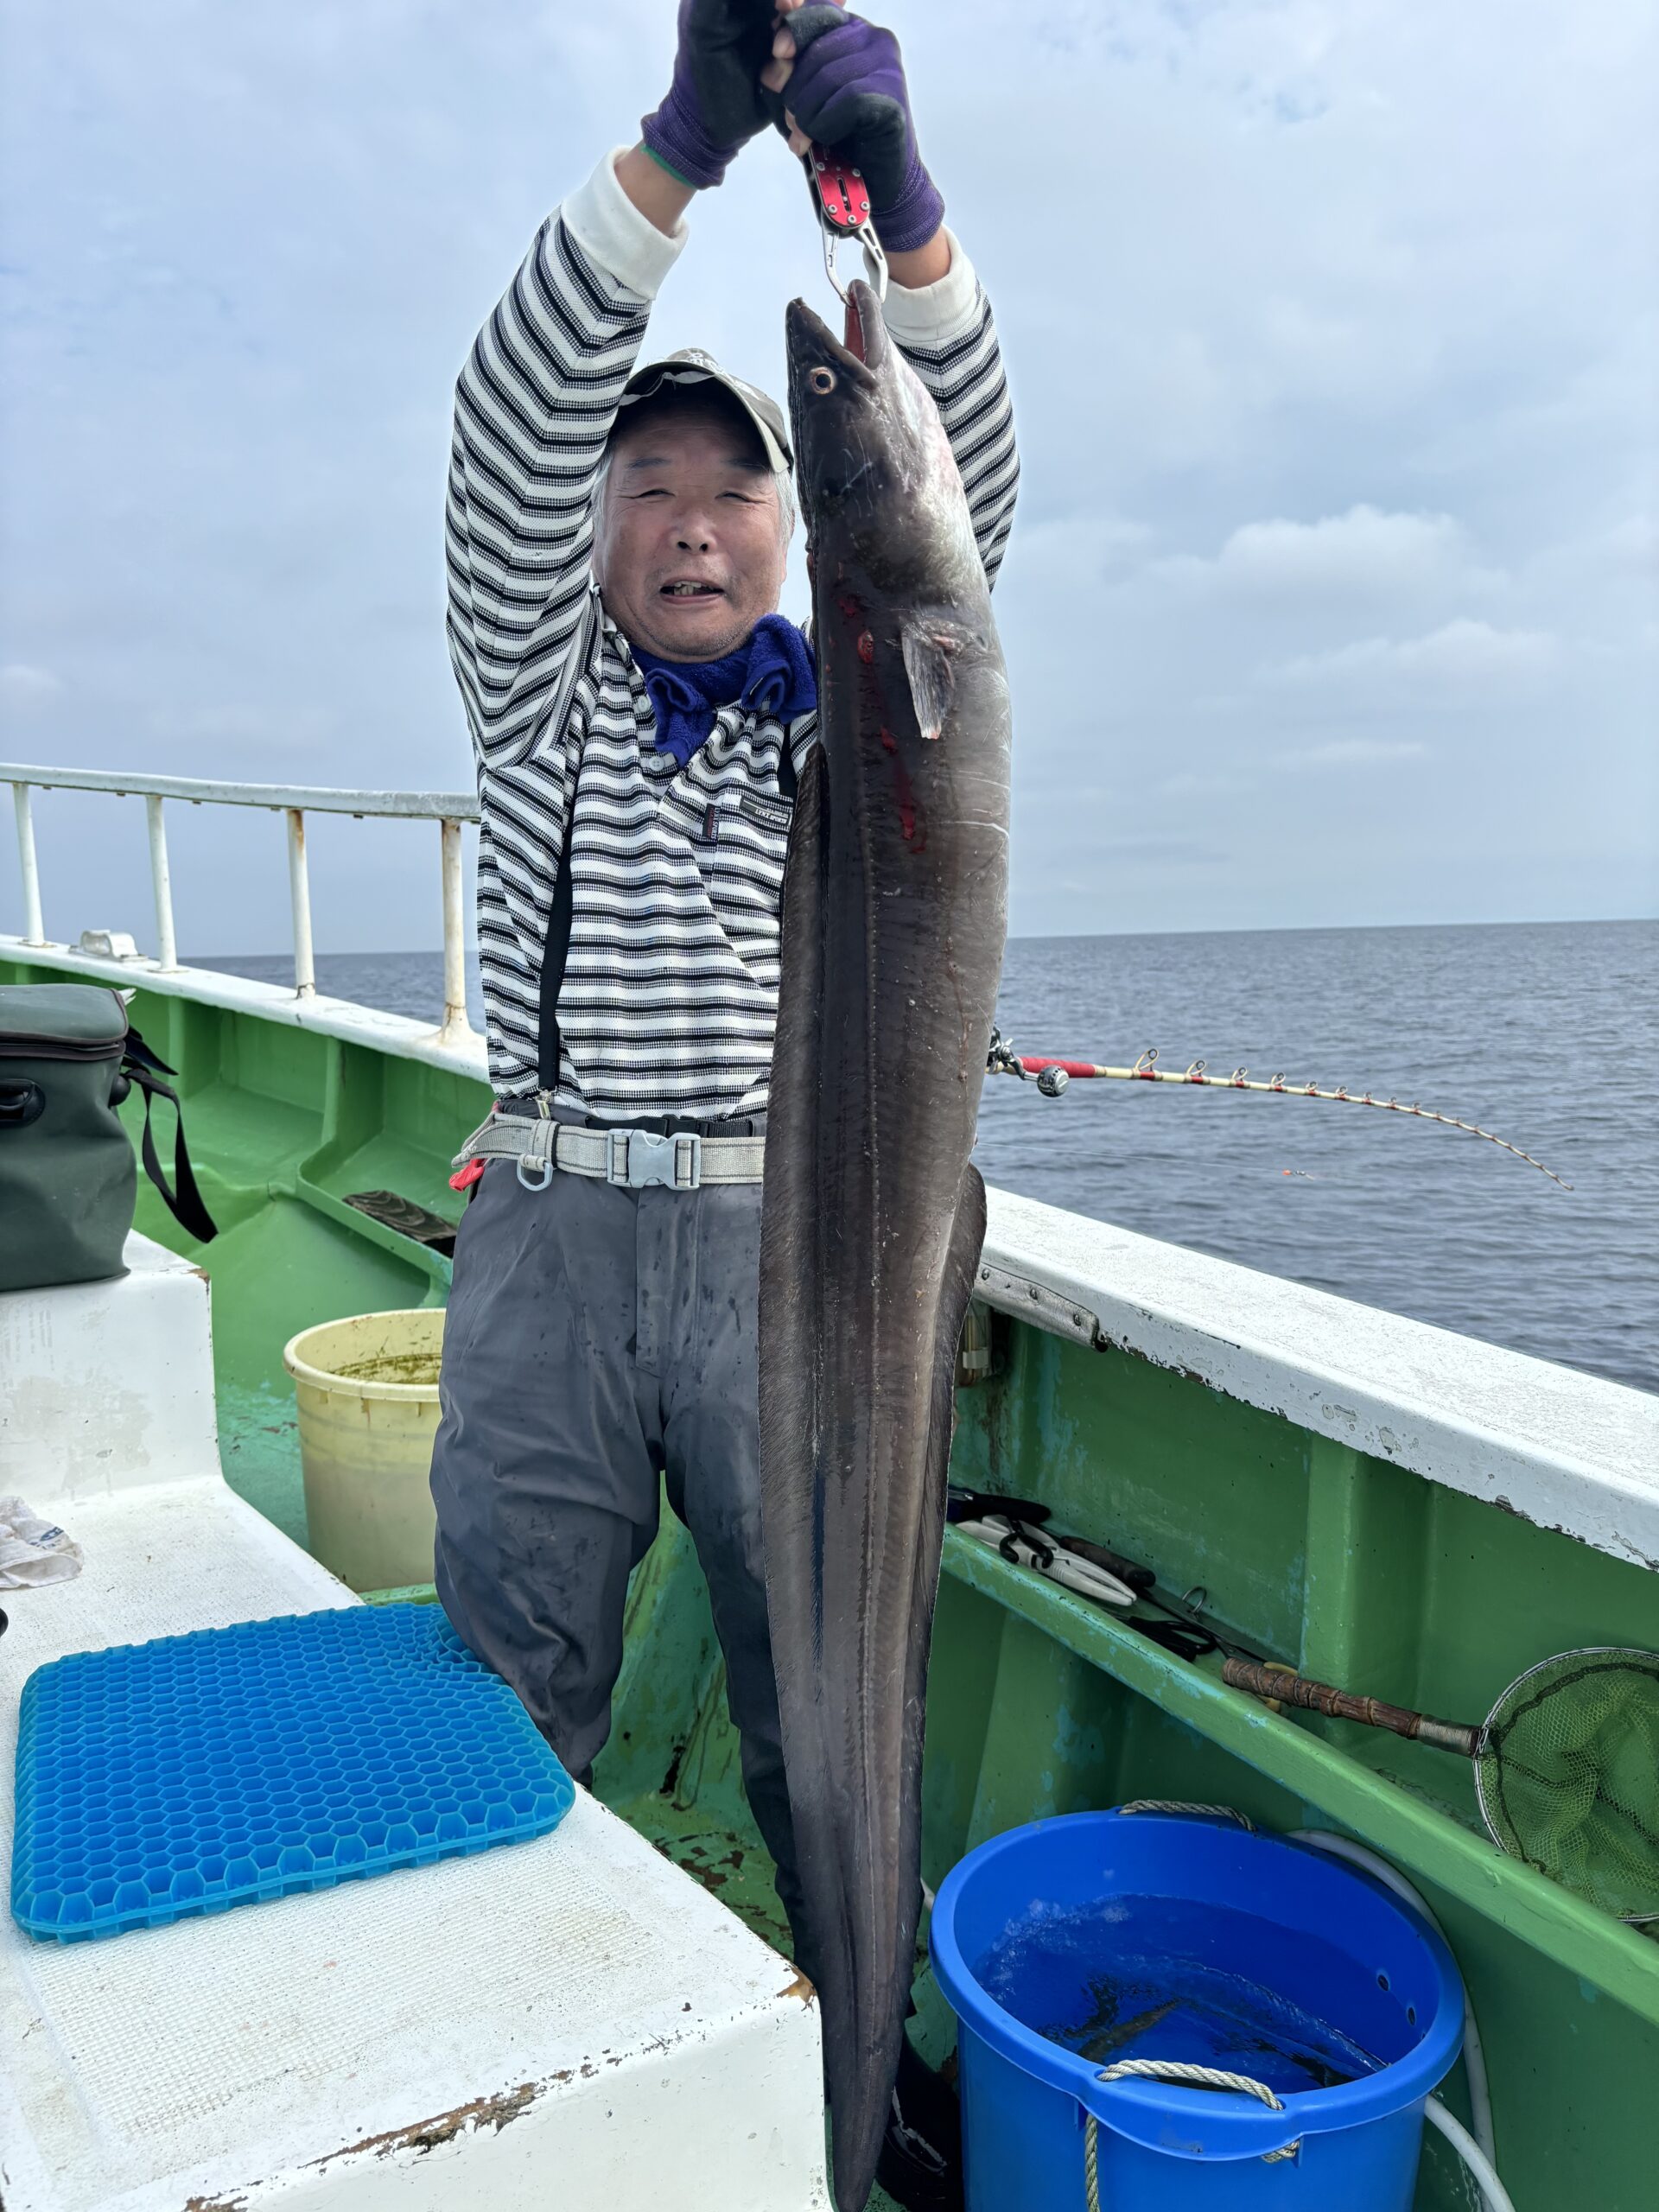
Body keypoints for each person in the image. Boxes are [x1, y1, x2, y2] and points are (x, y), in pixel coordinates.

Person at [430, 5, 1018, 2200]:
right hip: (559, 1242)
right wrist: (681, 147)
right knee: (517, 1693)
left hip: (808, 1249)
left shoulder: (862, 707)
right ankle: (508, 2091)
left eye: (735, 488)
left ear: (795, 528)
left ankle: (855, 2103)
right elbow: (511, 414)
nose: (691, 528)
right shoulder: (536, 682)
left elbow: (958, 483)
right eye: (649, 493)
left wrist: (908, 215)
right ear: (593, 532)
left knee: (826, 1716)